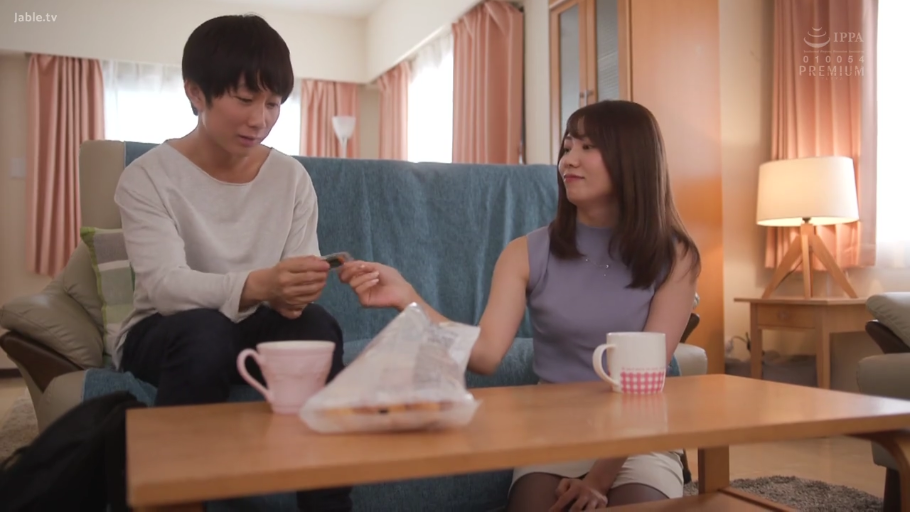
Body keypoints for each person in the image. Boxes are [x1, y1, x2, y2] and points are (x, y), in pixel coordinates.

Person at [337, 99, 700, 511]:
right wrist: (407, 297)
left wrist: (598, 481)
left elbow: (644, 384)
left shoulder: (676, 257)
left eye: (587, 147)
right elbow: (486, 354)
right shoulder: (525, 253)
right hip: (555, 432)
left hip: (638, 437)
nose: (568, 160)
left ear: (633, 158)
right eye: (567, 146)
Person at [112, 14, 352, 512]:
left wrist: (300, 288)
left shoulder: (291, 178)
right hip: (166, 329)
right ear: (195, 93)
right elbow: (165, 287)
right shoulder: (147, 177)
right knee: (206, 333)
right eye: (244, 100)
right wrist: (262, 285)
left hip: (252, 325)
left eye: (273, 103)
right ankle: (175, 501)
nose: (260, 119)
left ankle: (328, 504)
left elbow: (295, 278)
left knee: (319, 328)